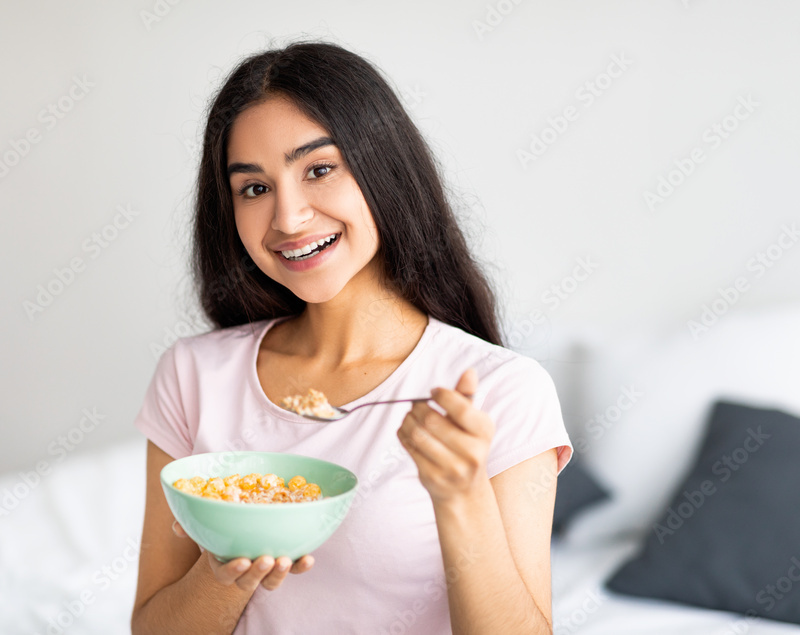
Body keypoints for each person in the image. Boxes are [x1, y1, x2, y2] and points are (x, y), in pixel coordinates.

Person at [130, 39, 572, 635]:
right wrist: (228, 568)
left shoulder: (500, 392)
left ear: (382, 169)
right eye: (254, 188)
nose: (288, 218)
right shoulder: (194, 375)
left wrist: (461, 497)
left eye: (319, 169)